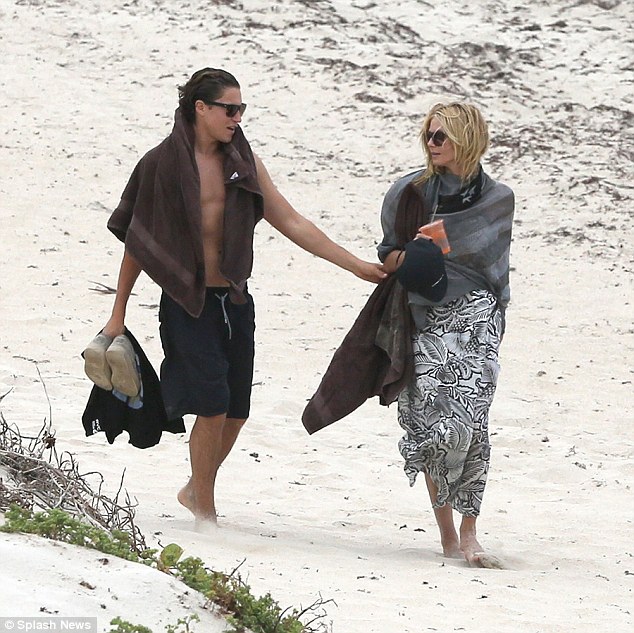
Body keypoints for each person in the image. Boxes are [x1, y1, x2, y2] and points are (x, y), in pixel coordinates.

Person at [91, 68, 386, 525]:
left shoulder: (242, 163)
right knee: (211, 409)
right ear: (200, 108)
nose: (237, 118)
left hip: (234, 301)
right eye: (229, 109)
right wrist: (118, 313)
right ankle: (205, 512)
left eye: (241, 109)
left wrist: (356, 266)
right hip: (186, 303)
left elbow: (292, 221)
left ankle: (196, 489)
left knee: (235, 413)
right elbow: (139, 242)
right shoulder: (161, 164)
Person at [377, 102, 515, 567]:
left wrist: (446, 245)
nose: (432, 144)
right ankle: (447, 535)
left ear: (466, 139)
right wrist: (420, 255)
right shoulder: (408, 193)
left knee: (471, 424)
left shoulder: (498, 199)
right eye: (429, 135)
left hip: (478, 314)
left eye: (441, 136)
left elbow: (492, 265)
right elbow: (387, 255)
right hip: (424, 314)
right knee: (432, 426)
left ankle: (470, 531)